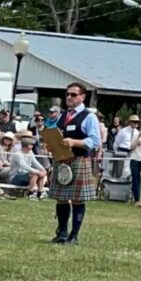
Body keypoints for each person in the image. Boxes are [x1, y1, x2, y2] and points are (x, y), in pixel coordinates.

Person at [47, 82, 104, 244]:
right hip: (62, 159)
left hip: (79, 160)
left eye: (73, 95)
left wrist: (74, 142)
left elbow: (95, 141)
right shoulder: (63, 115)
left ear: (82, 97)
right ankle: (62, 233)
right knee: (61, 198)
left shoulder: (89, 117)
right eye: (67, 95)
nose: (69, 97)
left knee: (78, 198)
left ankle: (74, 235)